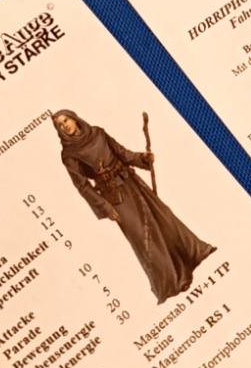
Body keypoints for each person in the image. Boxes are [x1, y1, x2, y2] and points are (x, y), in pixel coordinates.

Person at [53, 109, 216, 304]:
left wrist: (142, 158)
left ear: (74, 118)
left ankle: (193, 254)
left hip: (131, 181)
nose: (65, 126)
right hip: (115, 197)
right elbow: (82, 186)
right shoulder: (69, 155)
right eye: (60, 125)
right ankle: (169, 284)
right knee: (142, 238)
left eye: (66, 120)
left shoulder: (97, 132)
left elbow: (121, 153)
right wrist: (104, 208)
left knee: (162, 216)